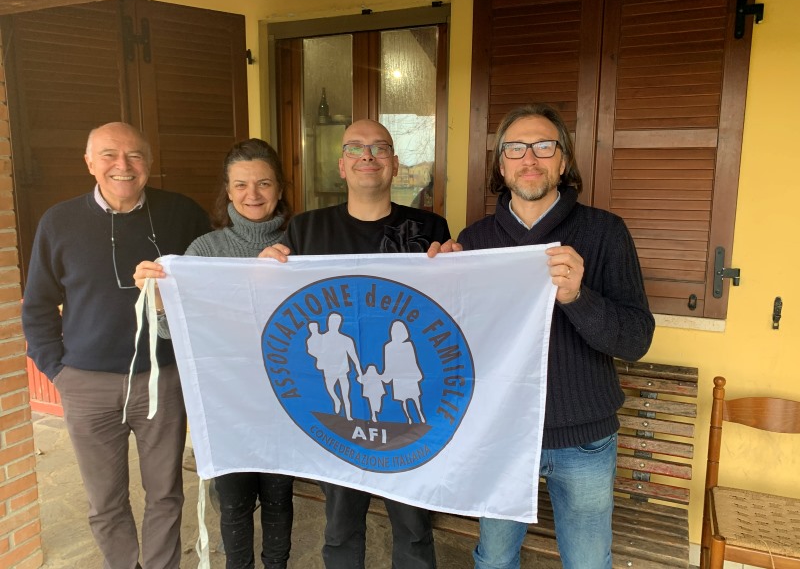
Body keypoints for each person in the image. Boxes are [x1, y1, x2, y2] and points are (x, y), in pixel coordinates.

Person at [445, 103, 655, 569]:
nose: (529, 158)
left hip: (583, 439)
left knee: (587, 562)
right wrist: (442, 284)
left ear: (563, 161)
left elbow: (637, 340)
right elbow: (461, 342)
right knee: (495, 559)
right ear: (501, 166)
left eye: (544, 146)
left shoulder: (605, 232)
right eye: (515, 148)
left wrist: (579, 297)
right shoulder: (474, 241)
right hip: (500, 432)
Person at [260, 118, 451, 569]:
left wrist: (457, 266)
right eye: (355, 148)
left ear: (395, 164)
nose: (368, 155)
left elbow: (450, 311)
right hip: (336, 417)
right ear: (341, 165)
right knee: (341, 526)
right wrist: (265, 270)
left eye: (380, 148)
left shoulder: (429, 227)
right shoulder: (305, 230)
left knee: (414, 527)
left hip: (404, 413)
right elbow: (275, 309)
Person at [21, 122, 211, 569]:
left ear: (149, 162)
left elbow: (208, 286)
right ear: (89, 163)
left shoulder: (182, 214)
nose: (122, 165)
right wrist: (59, 372)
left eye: (135, 155)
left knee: (165, 493)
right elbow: (38, 305)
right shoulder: (58, 221)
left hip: (162, 379)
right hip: (86, 384)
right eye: (108, 155)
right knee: (105, 501)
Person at [133, 138, 295, 569]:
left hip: (285, 398)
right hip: (226, 403)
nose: (252, 194)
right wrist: (161, 301)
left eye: (263, 183)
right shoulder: (204, 251)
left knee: (279, 498)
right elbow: (174, 331)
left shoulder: (301, 244)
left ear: (280, 188)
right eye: (241, 184)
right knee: (234, 503)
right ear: (227, 190)